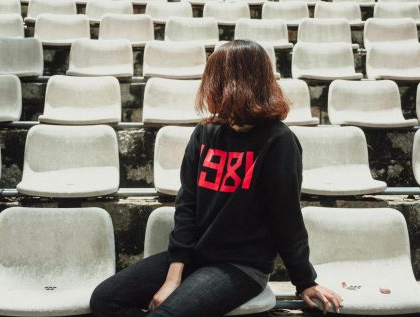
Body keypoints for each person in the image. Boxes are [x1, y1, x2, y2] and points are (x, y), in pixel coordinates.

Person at [90, 40, 343, 317]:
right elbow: (187, 206)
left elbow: (286, 219)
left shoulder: (278, 141)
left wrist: (305, 281)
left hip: (241, 267)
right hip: (194, 258)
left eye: (214, 76)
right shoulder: (205, 133)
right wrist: (174, 276)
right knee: (105, 300)